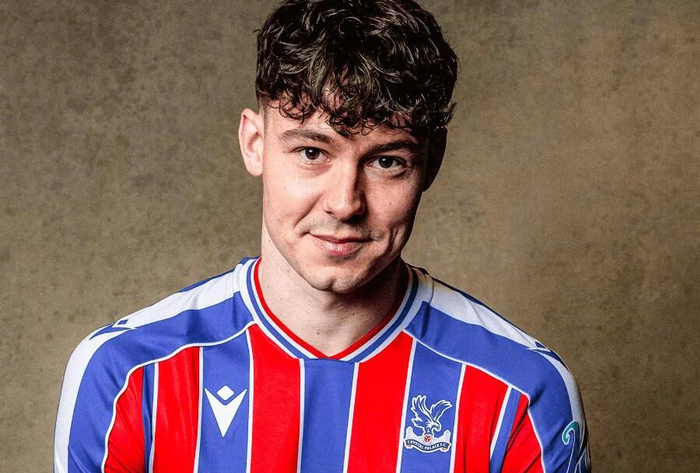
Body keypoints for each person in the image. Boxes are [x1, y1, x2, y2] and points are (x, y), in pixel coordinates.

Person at [54, 0, 590, 472]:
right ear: (255, 143)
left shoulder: (522, 392)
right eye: (312, 152)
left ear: (431, 162)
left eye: (386, 161)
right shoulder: (126, 376)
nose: (345, 203)